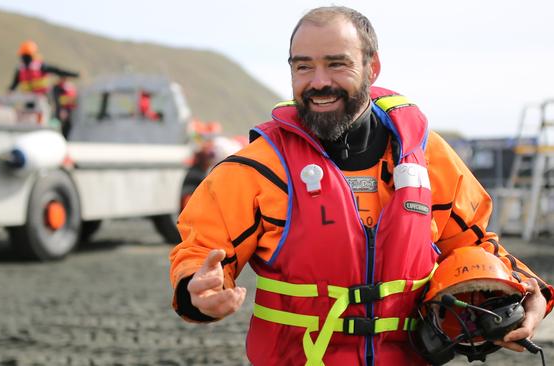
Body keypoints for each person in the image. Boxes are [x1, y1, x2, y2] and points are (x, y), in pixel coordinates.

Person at [169, 6, 553, 366]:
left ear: (373, 68)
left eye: (337, 64)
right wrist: (196, 291)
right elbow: (200, 251)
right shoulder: (258, 167)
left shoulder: (424, 156)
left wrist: (530, 290)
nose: (319, 82)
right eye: (303, 67)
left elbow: (473, 245)